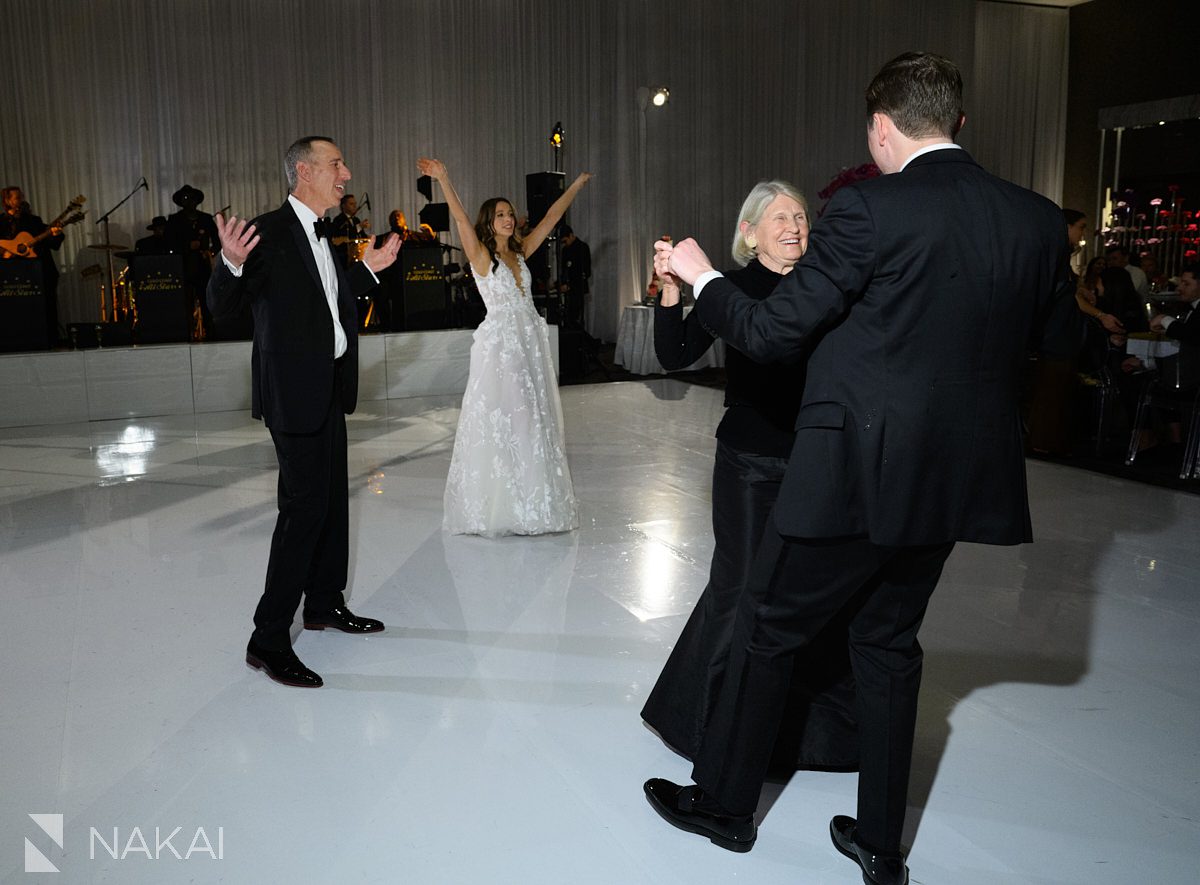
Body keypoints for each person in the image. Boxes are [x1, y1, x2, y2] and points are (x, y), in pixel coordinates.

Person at [645, 52, 1066, 885]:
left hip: (854, 475)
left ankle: (725, 807)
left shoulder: (867, 209)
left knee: (768, 628)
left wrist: (697, 277)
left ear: (881, 127)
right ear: (958, 122)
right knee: (887, 644)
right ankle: (879, 842)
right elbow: (1058, 343)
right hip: (953, 483)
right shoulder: (1035, 219)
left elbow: (769, 334)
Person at [641, 180, 858, 772]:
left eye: (801, 217)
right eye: (781, 217)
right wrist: (668, 290)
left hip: (815, 463)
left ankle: (804, 733)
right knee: (737, 591)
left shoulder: (824, 290)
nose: (795, 226)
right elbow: (677, 353)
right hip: (749, 465)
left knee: (802, 595)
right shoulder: (733, 288)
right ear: (750, 232)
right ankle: (700, 722)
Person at [207, 136, 400, 688]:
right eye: (336, 164)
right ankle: (267, 638)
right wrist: (229, 263)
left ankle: (322, 604)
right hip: (293, 396)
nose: (345, 174)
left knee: (333, 501)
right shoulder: (264, 234)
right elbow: (220, 310)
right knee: (303, 512)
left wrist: (368, 270)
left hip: (328, 389)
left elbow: (327, 302)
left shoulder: (326, 234)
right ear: (303, 170)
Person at [417, 157, 589, 536]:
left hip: (528, 341)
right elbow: (461, 220)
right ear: (488, 222)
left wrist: (575, 186)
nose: (508, 219)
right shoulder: (482, 256)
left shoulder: (522, 250)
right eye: (500, 214)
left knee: (532, 420)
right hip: (502, 347)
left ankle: (533, 503)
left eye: (510, 213)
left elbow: (549, 218)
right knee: (516, 418)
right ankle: (507, 505)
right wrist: (444, 179)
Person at [1, 185, 65, 347]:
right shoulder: (0, 223)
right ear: (7, 201)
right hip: (10, 279)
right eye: (16, 198)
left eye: (21, 197)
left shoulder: (33, 221)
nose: (20, 200)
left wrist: (56, 234)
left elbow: (51, 242)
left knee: (46, 310)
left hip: (39, 275)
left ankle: (50, 342)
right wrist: (5, 253)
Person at [166, 184, 219, 340]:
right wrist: (187, 246)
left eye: (192, 198)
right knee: (186, 304)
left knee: (207, 303)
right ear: (181, 202)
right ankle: (187, 336)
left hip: (203, 267)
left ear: (197, 201)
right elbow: (169, 244)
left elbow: (217, 240)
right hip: (184, 268)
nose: (189, 202)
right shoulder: (175, 220)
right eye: (185, 199)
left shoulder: (206, 219)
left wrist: (209, 250)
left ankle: (211, 336)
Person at [558, 224, 591, 328]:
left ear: (571, 235)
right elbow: (564, 269)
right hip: (567, 289)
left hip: (577, 288)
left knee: (574, 317)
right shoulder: (565, 250)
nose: (565, 244)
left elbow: (586, 271)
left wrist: (571, 285)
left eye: (565, 241)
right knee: (566, 317)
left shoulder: (582, 248)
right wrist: (562, 283)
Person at [330, 193, 370, 266]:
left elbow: (361, 236)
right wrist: (359, 227)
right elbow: (343, 236)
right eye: (351, 204)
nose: (355, 206)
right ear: (343, 206)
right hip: (345, 257)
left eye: (355, 203)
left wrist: (368, 239)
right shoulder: (339, 220)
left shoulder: (356, 220)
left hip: (358, 254)